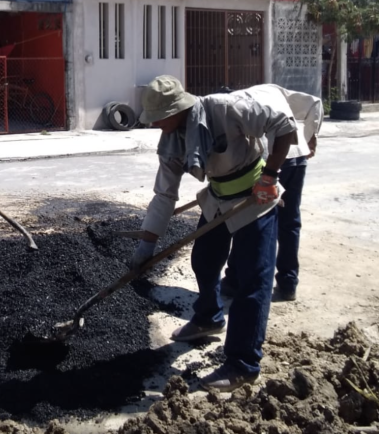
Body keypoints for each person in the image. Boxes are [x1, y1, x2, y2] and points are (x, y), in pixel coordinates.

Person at [130, 75, 297, 391]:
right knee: (204, 261)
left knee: (253, 281)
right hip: (219, 197)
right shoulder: (171, 142)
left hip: (255, 195)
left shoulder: (225, 108)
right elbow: (165, 195)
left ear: (177, 109)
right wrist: (146, 246)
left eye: (158, 118)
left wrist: (272, 175)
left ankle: (243, 364)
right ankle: (209, 317)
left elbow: (284, 126)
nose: (154, 125)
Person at [218, 84, 323, 302]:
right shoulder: (271, 90)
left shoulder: (235, 107)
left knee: (249, 219)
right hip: (296, 156)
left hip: (272, 160)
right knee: (290, 222)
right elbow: (315, 103)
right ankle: (288, 283)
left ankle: (234, 279)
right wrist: (312, 135)